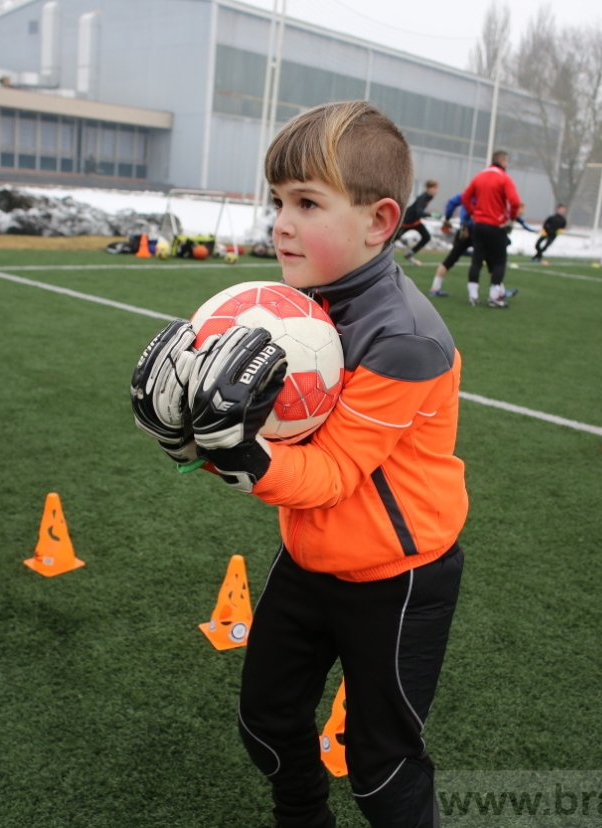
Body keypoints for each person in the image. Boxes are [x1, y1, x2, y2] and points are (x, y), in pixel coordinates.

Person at [131, 101, 466, 828]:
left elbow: (335, 473)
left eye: (306, 202)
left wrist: (238, 454)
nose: (280, 221)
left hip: (397, 578)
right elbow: (286, 452)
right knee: (265, 724)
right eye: (277, 200)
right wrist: (194, 444)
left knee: (382, 773)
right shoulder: (288, 306)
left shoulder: (405, 338)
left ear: (378, 222)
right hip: (310, 557)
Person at [462, 150, 522, 308]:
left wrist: (473, 213)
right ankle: (494, 296)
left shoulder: (479, 176)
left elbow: (465, 197)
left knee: (476, 260)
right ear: (502, 160)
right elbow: (515, 202)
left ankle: (473, 296)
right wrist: (511, 218)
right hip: (496, 225)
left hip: (479, 225)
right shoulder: (504, 178)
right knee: (499, 261)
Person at [397, 179, 438, 266]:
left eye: (436, 188)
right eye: (434, 188)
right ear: (428, 188)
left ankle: (410, 254)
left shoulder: (428, 198)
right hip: (406, 222)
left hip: (415, 222)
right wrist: (432, 215)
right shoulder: (423, 197)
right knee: (391, 240)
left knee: (426, 237)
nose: (436, 190)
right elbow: (418, 212)